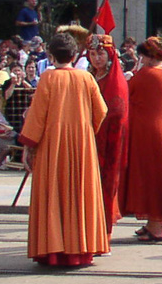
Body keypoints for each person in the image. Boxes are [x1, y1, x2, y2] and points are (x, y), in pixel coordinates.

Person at [19, 32, 109, 268]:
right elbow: (101, 111)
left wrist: (28, 146)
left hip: (52, 144)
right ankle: (82, 247)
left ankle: (53, 249)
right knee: (80, 192)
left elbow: (37, 116)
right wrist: (86, 132)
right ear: (74, 54)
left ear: (51, 55)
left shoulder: (48, 78)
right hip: (82, 144)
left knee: (53, 193)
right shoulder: (87, 78)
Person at [121, 37, 162, 243]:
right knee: (160, 176)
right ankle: (152, 224)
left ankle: (156, 227)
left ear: (148, 56)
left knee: (151, 178)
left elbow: (126, 92)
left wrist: (131, 74)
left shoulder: (146, 74)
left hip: (150, 134)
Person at [87, 36, 129, 235]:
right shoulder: (89, 77)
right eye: (93, 54)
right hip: (90, 139)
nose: (97, 58)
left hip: (108, 140)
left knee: (106, 183)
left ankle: (104, 231)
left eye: (101, 53)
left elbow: (117, 111)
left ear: (110, 55)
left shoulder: (115, 80)